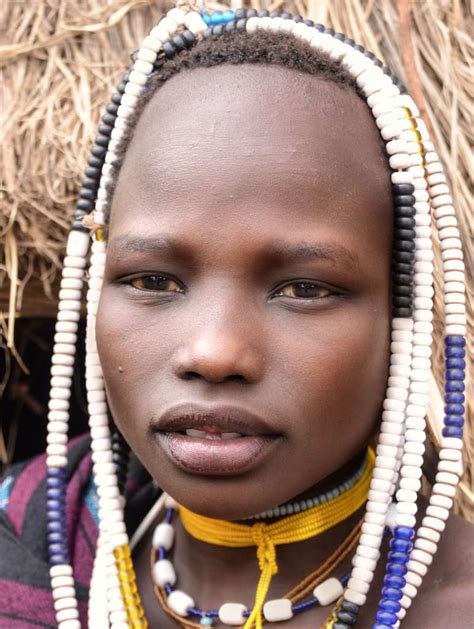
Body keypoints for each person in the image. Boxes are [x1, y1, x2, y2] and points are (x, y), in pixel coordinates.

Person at [0, 6, 471, 629]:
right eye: (152, 280)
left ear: (401, 318)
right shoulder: (27, 543)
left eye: (305, 288)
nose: (214, 352)